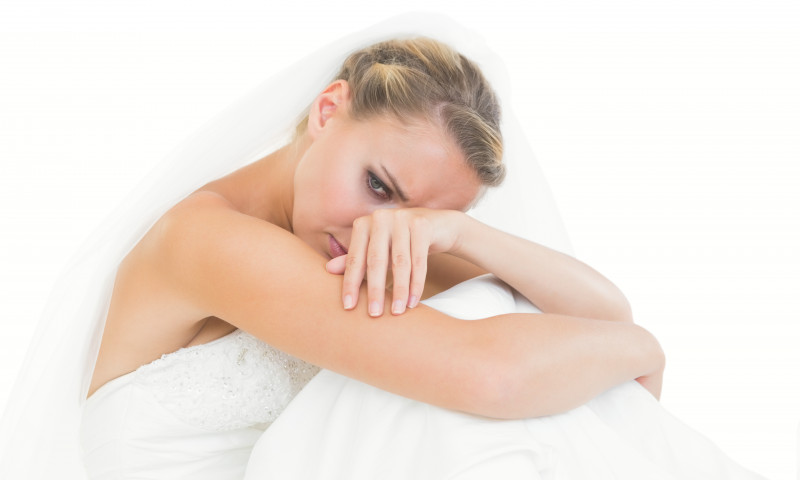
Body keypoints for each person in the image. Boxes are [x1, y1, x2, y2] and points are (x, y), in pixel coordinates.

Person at [0, 14, 765, 480]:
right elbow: (497, 379)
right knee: (493, 344)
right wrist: (643, 345)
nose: (383, 229)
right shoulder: (207, 241)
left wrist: (463, 235)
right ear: (329, 109)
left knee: (493, 306)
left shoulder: (368, 242)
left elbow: (599, 316)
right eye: (379, 185)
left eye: (422, 216)